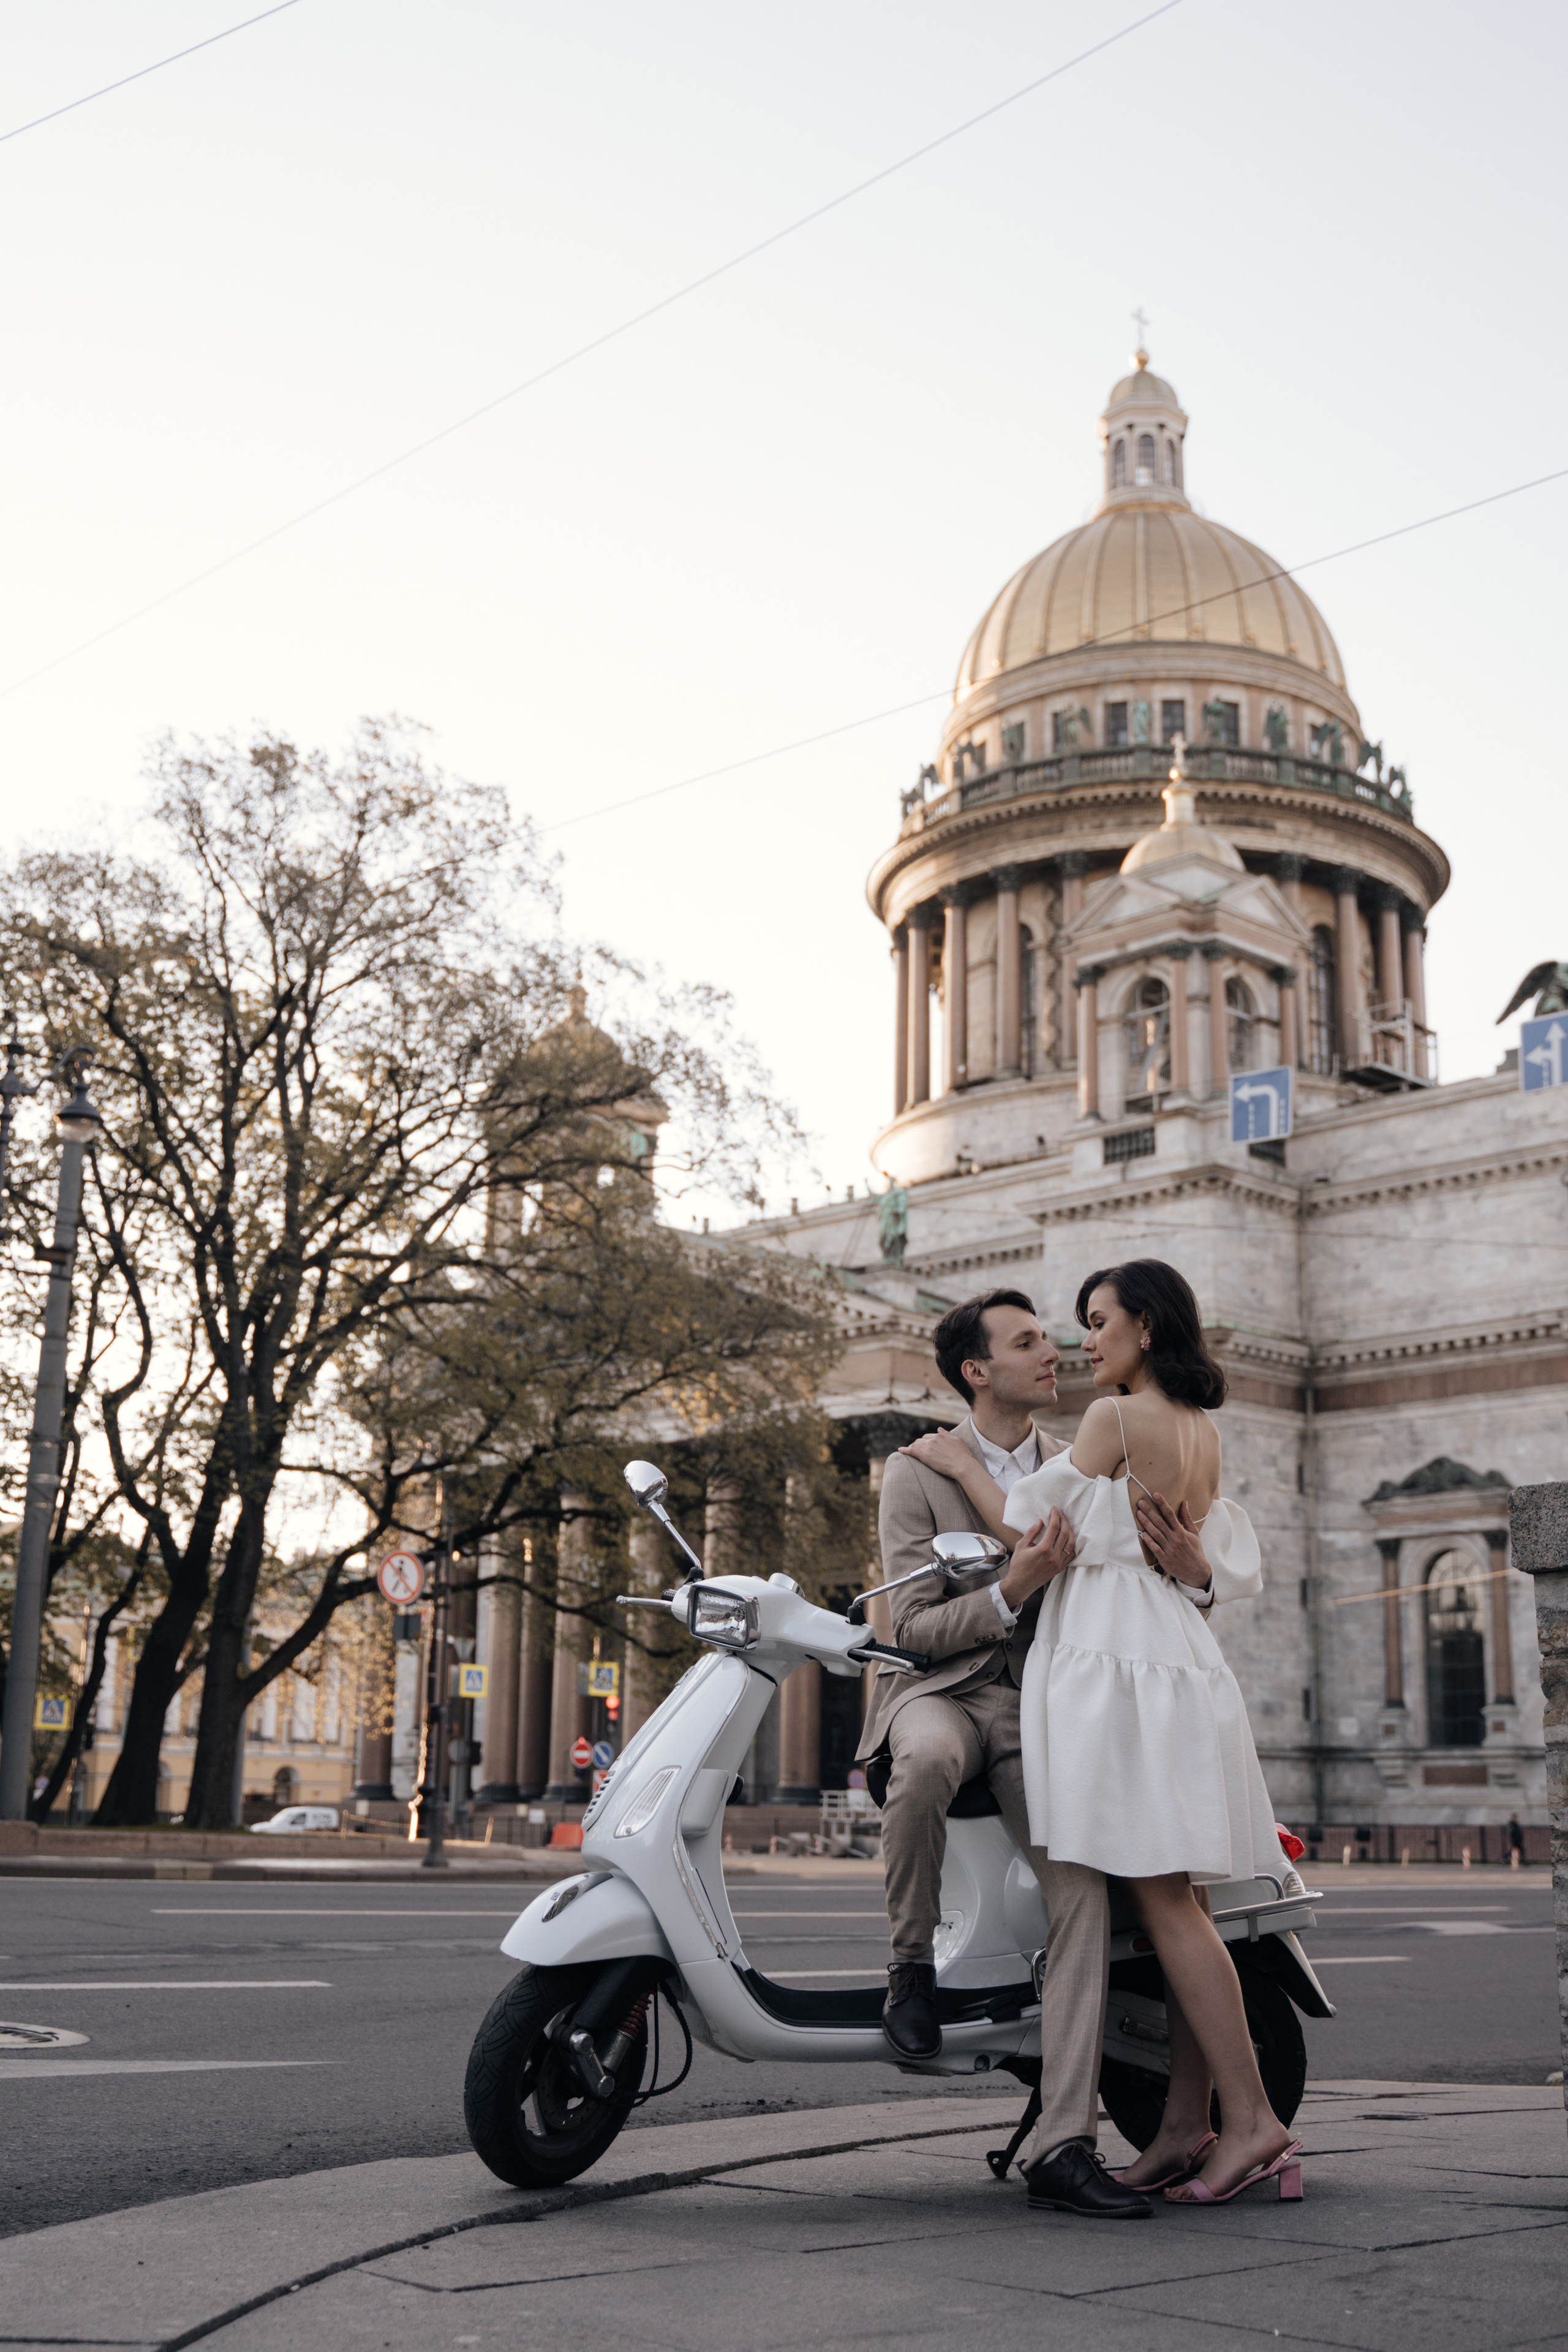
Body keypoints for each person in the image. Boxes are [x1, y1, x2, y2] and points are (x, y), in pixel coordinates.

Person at [902, 1259, 1302, 2209]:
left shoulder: (1114, 1418)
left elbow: (1033, 1532)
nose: (1086, 1340)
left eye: (1097, 1321)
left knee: (1164, 1906)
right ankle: (1181, 2126)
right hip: (1178, 1657)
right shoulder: (1199, 1428)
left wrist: (960, 1464)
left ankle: (1250, 2122)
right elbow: (1204, 1565)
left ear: (1147, 1329)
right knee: (1185, 1908)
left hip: (1117, 1662)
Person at [859, 1287, 1212, 2222]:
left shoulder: (1078, 1459)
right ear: (979, 1373)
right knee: (926, 1761)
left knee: (1083, 1895)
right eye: (1028, 1343)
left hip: (1036, 1710)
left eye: (1054, 1337)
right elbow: (915, 1627)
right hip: (939, 1694)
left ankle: (1064, 2142)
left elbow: (1124, 1583)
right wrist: (1015, 1589)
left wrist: (1196, 1576)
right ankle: (909, 1967)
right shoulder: (915, 1471)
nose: (1054, 1351)